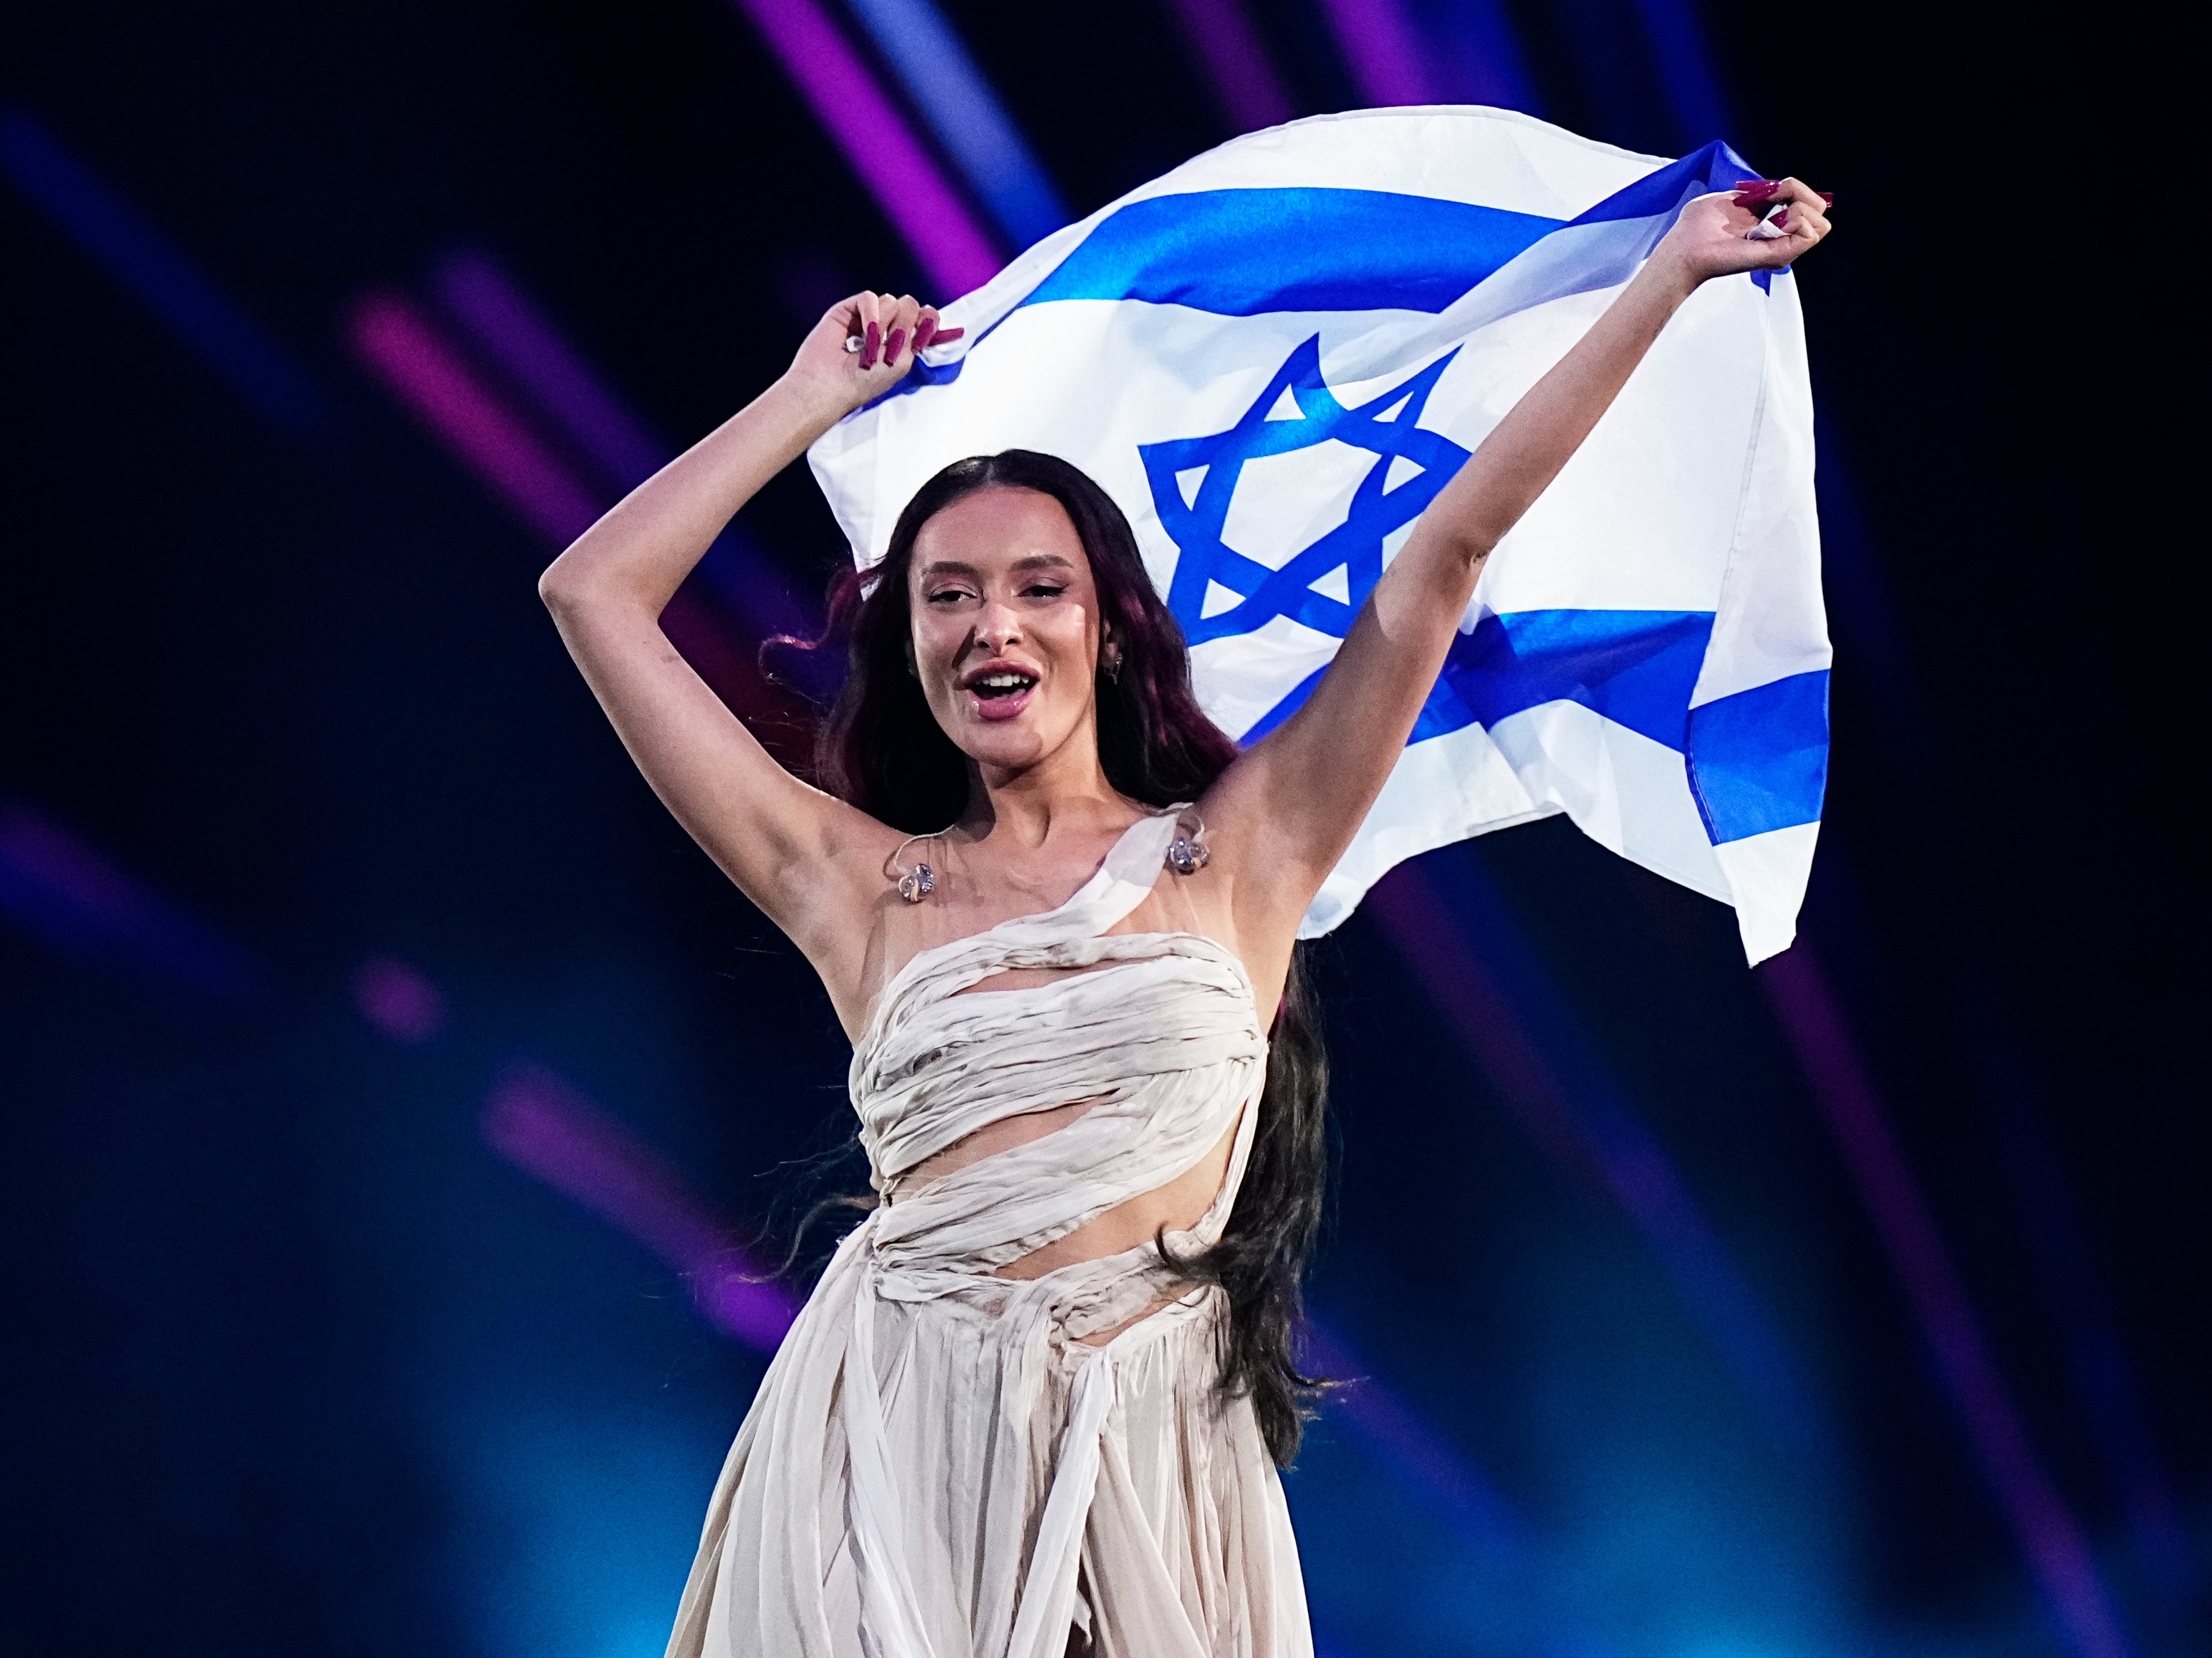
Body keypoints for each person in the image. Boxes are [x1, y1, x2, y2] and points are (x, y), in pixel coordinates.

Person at [538, 178, 1831, 1658]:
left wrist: (1665, 277)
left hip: (1161, 1456)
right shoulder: (852, 881)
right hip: (891, 1439)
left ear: (1109, 626)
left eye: (1039, 588)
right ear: (910, 638)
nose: (992, 626)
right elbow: (594, 597)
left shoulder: (1245, 851)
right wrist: (810, 392)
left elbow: (1441, 564)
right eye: (948, 595)